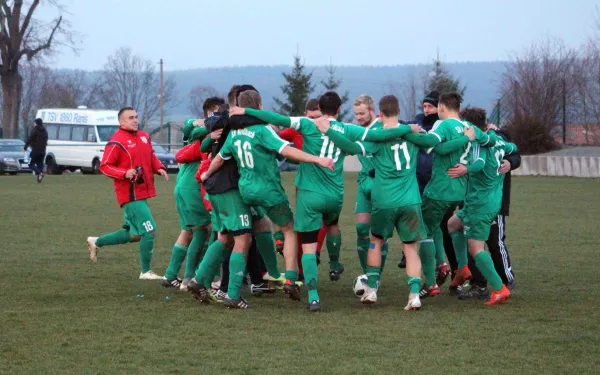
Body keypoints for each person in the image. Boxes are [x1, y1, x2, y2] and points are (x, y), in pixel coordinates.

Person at [231, 91, 421, 311]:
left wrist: (246, 110)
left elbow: (276, 118)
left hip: (309, 195)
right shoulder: (348, 129)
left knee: (309, 247)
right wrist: (407, 128)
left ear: (319, 108)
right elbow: (378, 136)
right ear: (340, 110)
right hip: (335, 195)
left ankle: (313, 296)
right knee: (332, 226)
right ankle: (334, 264)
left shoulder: (307, 124)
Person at [202, 90, 334, 308]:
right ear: (259, 106)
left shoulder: (235, 133)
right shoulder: (262, 130)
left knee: (243, 233)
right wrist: (316, 159)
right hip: (267, 190)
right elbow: (287, 151)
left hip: (244, 190)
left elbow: (219, 158)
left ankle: (246, 280)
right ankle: (290, 277)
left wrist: (206, 174)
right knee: (288, 227)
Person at [188, 85, 283, 308]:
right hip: (230, 187)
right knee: (243, 239)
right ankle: (232, 294)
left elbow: (203, 128)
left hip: (217, 188)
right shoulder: (241, 124)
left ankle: (199, 280)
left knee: (227, 237)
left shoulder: (221, 119)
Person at [401, 93, 497, 296]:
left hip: (440, 190)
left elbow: (429, 143)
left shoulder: (442, 125)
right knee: (449, 225)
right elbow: (489, 140)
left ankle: (432, 282)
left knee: (424, 230)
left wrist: (405, 132)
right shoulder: (469, 127)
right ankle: (460, 266)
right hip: (461, 191)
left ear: (442, 107)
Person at [445, 107, 516, 305]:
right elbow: (514, 148)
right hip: (490, 200)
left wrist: (465, 169)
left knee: (476, 248)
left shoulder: (477, 143)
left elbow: (478, 162)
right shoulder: (497, 140)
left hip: (480, 203)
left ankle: (499, 288)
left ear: (468, 126)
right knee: (452, 224)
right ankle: (463, 269)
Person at [86, 107, 168, 280]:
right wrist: (124, 173)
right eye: (130, 118)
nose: (135, 120)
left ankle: (96, 241)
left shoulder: (144, 136)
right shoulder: (116, 141)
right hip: (130, 194)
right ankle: (145, 271)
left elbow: (151, 155)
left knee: (135, 234)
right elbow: (105, 166)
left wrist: (159, 167)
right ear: (121, 122)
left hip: (142, 192)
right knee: (149, 230)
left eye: (136, 117)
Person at [161, 97, 223, 291]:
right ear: (212, 111)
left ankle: (172, 275)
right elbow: (189, 135)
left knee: (190, 231)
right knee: (204, 229)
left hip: (184, 184)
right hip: (193, 186)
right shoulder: (205, 131)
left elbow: (188, 133)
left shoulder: (198, 129)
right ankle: (194, 278)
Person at [459, 125, 521, 299]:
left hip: (488, 202)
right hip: (472, 201)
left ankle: (503, 282)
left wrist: (511, 162)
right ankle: (474, 279)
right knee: (455, 226)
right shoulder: (481, 139)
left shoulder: (488, 140)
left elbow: (514, 152)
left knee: (492, 241)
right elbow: (513, 147)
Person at [276, 98, 327, 280]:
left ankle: (317, 254)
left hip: (328, 183)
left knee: (327, 222)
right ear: (305, 115)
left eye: (318, 117)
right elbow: (277, 140)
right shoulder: (296, 130)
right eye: (311, 117)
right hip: (305, 183)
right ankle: (299, 269)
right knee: (303, 225)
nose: (315, 121)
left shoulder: (328, 129)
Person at [24, 118, 48, 183]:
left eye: (34, 123)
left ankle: (39, 173)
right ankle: (39, 180)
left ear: (37, 123)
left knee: (30, 163)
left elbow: (30, 138)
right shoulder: (45, 131)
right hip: (42, 152)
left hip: (35, 151)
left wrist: (26, 146)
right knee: (40, 164)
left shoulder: (35, 130)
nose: (33, 124)